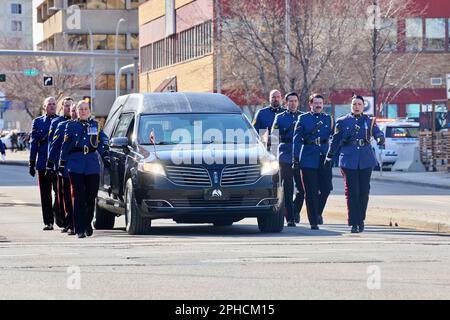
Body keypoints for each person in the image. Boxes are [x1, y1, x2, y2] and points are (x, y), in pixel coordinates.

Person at [325, 94, 385, 233]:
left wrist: (380, 138)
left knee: (364, 191)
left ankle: (361, 219)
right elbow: (335, 140)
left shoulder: (369, 121)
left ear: (363, 106)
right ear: (350, 106)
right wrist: (329, 156)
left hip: (365, 159)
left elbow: (377, 133)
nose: (356, 107)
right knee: (352, 192)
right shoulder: (342, 121)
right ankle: (353, 222)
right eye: (354, 104)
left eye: (359, 104)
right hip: (348, 159)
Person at [59, 101, 110, 239]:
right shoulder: (71, 126)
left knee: (91, 197)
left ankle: (87, 223)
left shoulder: (95, 125)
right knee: (79, 196)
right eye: (80, 109)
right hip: (75, 164)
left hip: (92, 165)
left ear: (89, 111)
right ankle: (79, 228)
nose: (83, 111)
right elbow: (66, 145)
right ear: (76, 111)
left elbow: (101, 142)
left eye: (85, 109)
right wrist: (62, 162)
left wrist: (105, 155)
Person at [293, 94, 334, 230]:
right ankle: (313, 221)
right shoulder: (303, 118)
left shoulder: (328, 119)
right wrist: (296, 159)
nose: (318, 105)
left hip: (324, 157)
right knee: (310, 191)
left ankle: (317, 213)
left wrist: (332, 154)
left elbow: (333, 137)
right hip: (308, 158)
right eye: (315, 103)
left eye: (320, 103)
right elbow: (297, 140)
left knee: (326, 188)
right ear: (310, 105)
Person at [271, 92, 305, 227]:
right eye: (290, 101)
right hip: (284, 155)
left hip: (300, 155)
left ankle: (295, 210)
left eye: (295, 101)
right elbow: (273, 138)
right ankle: (290, 217)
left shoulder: (303, 117)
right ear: (286, 103)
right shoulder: (279, 117)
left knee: (302, 190)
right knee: (288, 188)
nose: (293, 103)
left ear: (298, 102)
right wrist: (272, 157)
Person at [46, 97, 75, 234]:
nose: (69, 109)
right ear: (62, 107)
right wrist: (51, 164)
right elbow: (54, 145)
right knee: (62, 195)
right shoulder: (57, 123)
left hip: (77, 164)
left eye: (71, 106)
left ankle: (75, 221)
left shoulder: (80, 123)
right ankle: (65, 221)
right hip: (62, 165)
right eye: (67, 106)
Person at [29, 97, 58, 231]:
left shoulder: (61, 121)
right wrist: (31, 162)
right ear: (44, 107)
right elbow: (33, 143)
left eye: (54, 104)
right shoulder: (38, 122)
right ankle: (48, 222)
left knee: (59, 193)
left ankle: (58, 214)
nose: (52, 106)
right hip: (42, 162)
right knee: (45, 194)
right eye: (49, 104)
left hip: (58, 163)